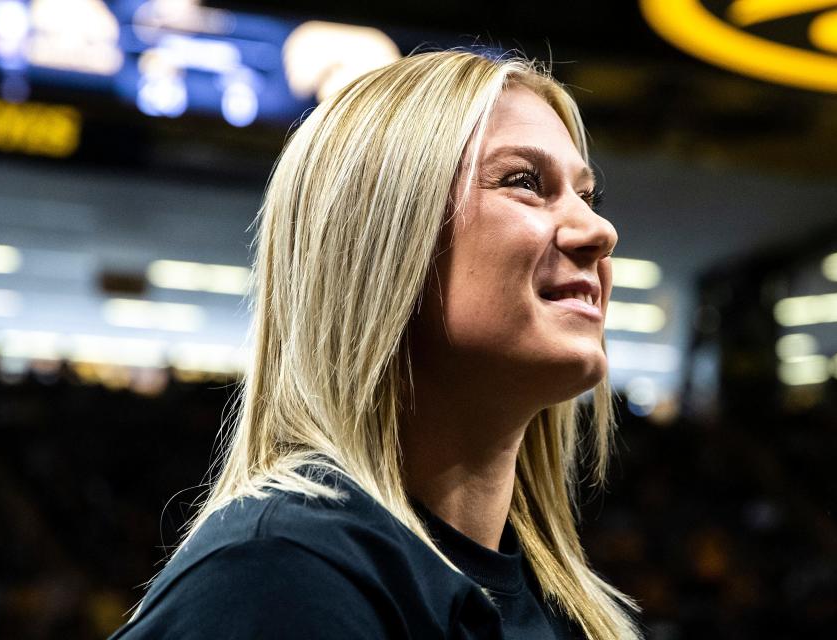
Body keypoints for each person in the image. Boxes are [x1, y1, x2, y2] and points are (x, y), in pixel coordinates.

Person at [109, 50, 640, 640]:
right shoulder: (277, 578)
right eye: (524, 182)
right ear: (381, 242)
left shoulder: (565, 612)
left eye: (587, 197)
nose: (600, 231)